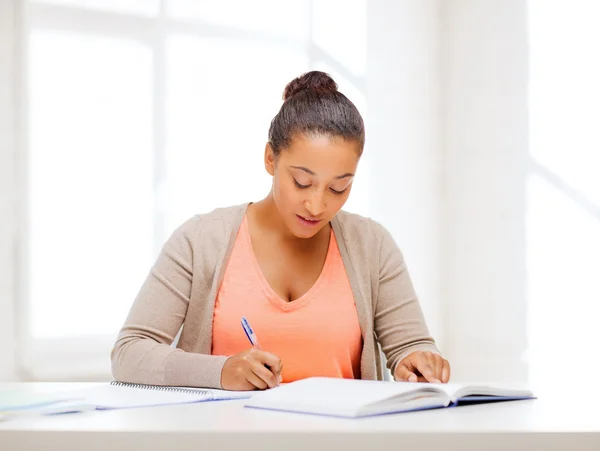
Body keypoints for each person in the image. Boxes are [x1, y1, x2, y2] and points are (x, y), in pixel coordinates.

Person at [111, 71, 450, 391]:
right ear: (270, 158)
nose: (317, 206)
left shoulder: (372, 245)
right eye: (302, 182)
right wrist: (221, 372)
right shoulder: (200, 241)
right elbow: (129, 353)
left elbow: (412, 345)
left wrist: (417, 361)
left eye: (338, 189)